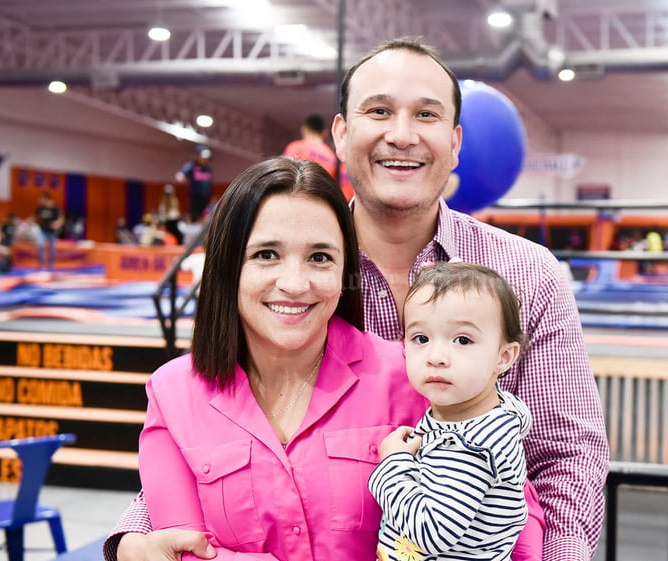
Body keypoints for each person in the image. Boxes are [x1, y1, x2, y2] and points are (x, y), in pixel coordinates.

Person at [106, 36, 607, 561]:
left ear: (456, 141)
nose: (402, 134)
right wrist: (133, 544)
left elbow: (566, 458)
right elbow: (207, 443)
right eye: (379, 110)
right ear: (341, 134)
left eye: (426, 115)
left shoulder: (525, 274)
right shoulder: (297, 267)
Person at [136, 156, 542, 561]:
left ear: (345, 269)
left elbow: (510, 521)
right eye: (266, 255)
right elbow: (177, 551)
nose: (295, 284)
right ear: (228, 266)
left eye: (320, 258)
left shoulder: (413, 377)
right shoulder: (173, 394)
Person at [369, 261, 535, 561]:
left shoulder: (471, 446)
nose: (436, 357)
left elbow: (432, 533)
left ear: (504, 356)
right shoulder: (472, 416)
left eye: (462, 340)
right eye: (421, 339)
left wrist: (392, 465)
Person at [283, 113, 355, 201]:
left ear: (304, 129)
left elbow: (284, 175)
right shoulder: (331, 156)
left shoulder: (295, 147)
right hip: (321, 200)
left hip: (295, 197)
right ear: (324, 132)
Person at [175, 146, 214, 221]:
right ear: (197, 156)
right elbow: (180, 175)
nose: (205, 159)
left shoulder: (208, 168)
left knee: (207, 217)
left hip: (206, 198)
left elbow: (209, 184)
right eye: (202, 157)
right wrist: (181, 176)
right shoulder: (191, 166)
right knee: (194, 217)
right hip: (195, 197)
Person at [35, 191, 63, 269]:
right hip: (43, 231)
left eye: (41, 198)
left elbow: (61, 219)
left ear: (46, 199)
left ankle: (51, 265)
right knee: (40, 244)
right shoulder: (41, 208)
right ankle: (41, 264)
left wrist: (57, 224)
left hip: (52, 232)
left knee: (52, 248)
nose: (39, 200)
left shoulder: (55, 208)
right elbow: (35, 216)